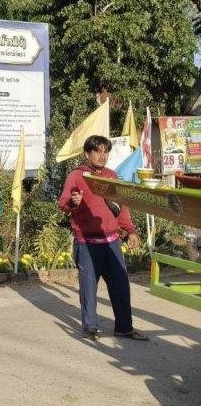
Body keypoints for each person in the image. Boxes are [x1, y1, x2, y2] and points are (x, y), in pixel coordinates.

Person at [58, 135, 148, 341]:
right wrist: (74, 202)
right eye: (97, 151)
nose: (102, 156)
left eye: (105, 151)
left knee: (120, 286)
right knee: (89, 288)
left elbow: (121, 208)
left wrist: (131, 230)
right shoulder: (77, 176)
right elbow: (63, 203)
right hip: (87, 243)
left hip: (112, 242)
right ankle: (90, 327)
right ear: (87, 154)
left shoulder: (111, 176)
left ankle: (124, 328)